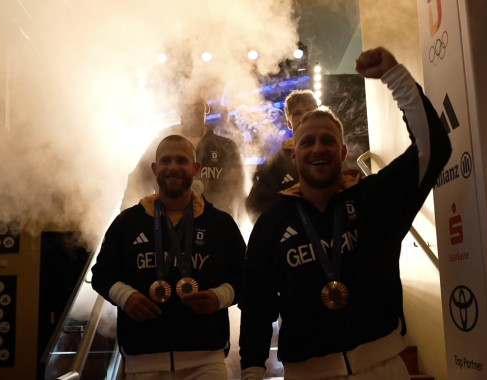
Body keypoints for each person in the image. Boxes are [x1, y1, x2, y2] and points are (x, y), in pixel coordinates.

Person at [238, 47, 452, 379]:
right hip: (307, 372)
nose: (318, 148)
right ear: (294, 157)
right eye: (307, 142)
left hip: (384, 366)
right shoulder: (272, 224)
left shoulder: (374, 198)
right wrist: (252, 370)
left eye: (327, 140)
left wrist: (396, 77)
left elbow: (433, 147)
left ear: (343, 151)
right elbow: (256, 305)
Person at [92, 134, 246, 379]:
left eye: (182, 161)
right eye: (166, 161)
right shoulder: (127, 223)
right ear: (155, 168)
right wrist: (126, 297)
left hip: (206, 360)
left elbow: (246, 277)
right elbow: (101, 274)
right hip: (143, 359)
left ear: (195, 168)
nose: (173, 167)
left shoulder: (221, 224)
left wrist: (219, 297)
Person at [121, 90, 246, 224]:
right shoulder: (160, 145)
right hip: (166, 230)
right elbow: (136, 184)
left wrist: (235, 230)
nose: (191, 112)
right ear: (179, 109)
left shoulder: (225, 148)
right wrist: (125, 226)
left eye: (197, 106)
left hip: (214, 231)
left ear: (207, 108)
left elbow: (239, 196)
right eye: (186, 106)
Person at [245, 89, 318, 222]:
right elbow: (255, 208)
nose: (304, 117)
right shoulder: (274, 164)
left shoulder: (335, 155)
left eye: (310, 111)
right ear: (289, 123)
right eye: (297, 113)